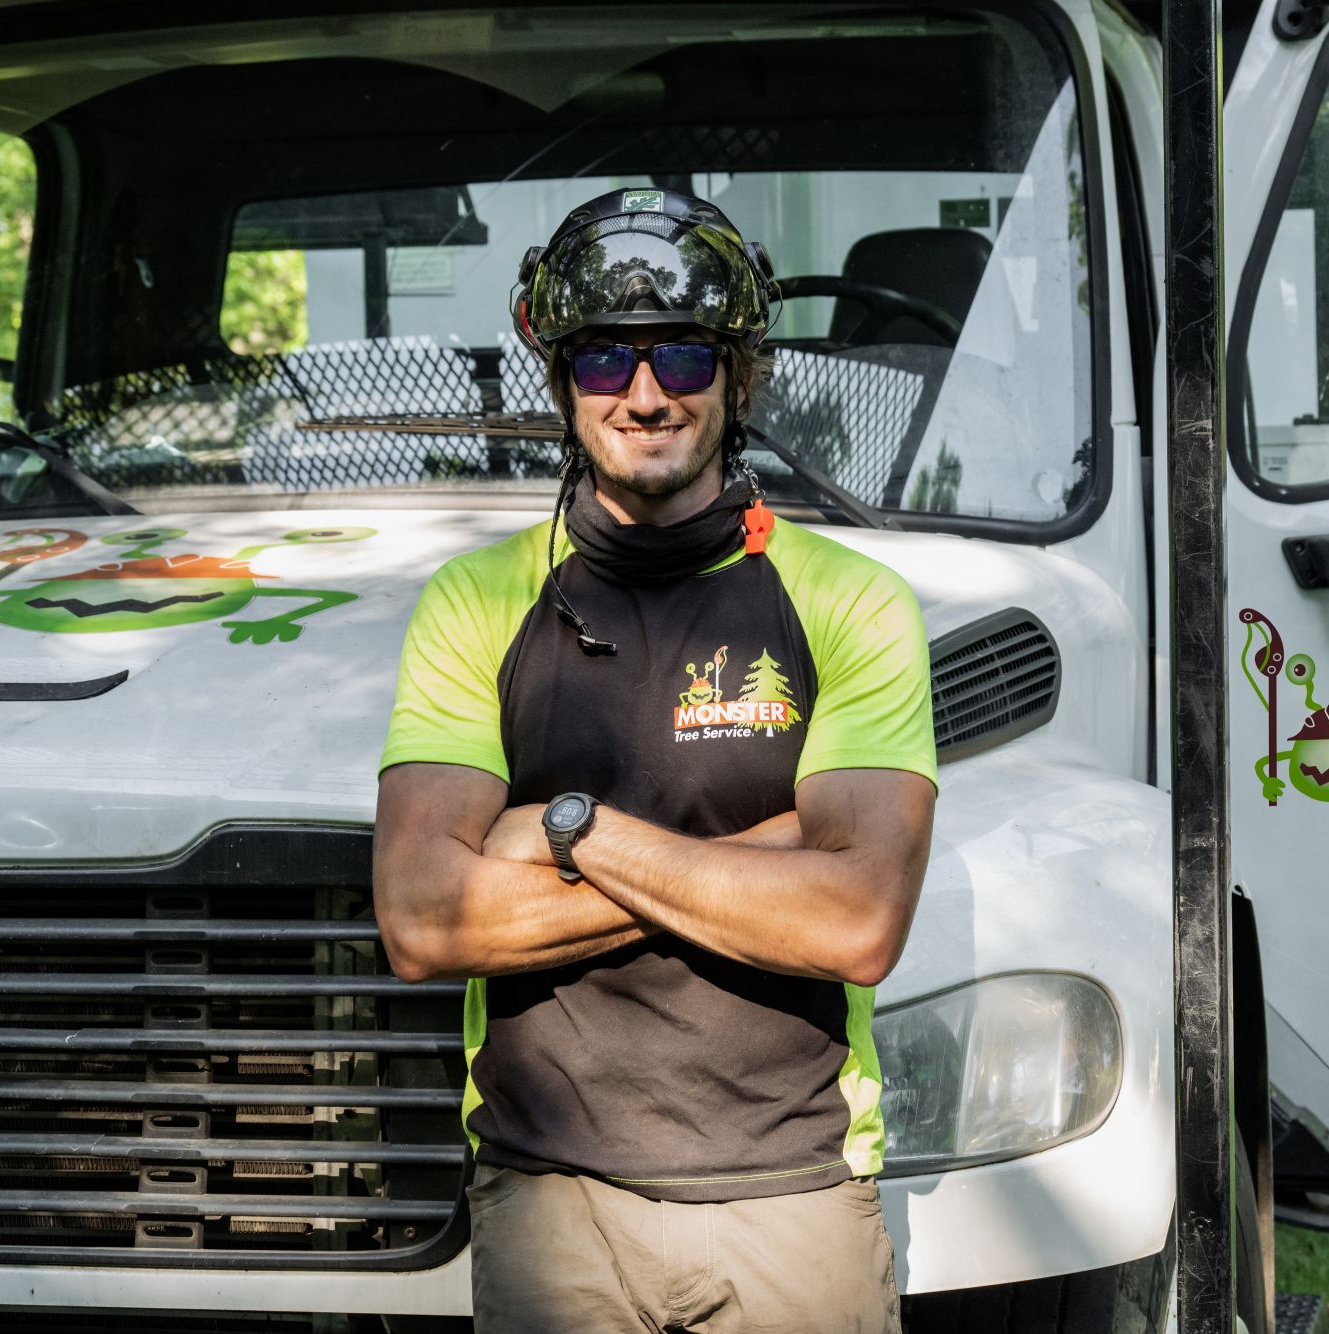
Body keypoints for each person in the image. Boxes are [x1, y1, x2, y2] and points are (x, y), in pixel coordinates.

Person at [372, 186, 938, 1334]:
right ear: (560, 378)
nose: (643, 394)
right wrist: (770, 857)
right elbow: (426, 921)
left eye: (681, 352)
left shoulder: (851, 600)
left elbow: (857, 923)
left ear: (739, 373)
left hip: (793, 1189)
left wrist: (572, 828)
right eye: (601, 362)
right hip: (549, 1196)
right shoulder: (474, 603)